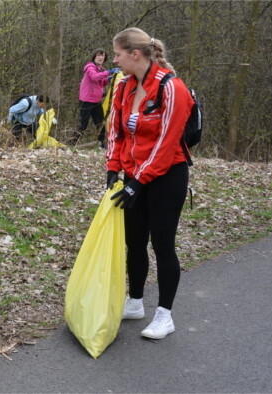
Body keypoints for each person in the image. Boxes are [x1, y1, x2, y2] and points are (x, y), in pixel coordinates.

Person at [105, 27, 194, 339]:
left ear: (135, 54)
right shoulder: (123, 86)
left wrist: (139, 182)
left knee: (162, 244)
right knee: (135, 242)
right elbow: (115, 131)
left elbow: (167, 143)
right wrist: (113, 170)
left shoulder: (172, 88)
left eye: (117, 54)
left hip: (167, 176)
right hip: (135, 176)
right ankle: (136, 302)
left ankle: (165, 315)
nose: (113, 60)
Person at [70, 49, 120, 147]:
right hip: (86, 100)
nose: (101, 57)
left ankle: (102, 144)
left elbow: (100, 83)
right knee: (82, 125)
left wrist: (109, 79)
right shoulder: (90, 67)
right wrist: (109, 72)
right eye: (98, 55)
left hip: (96, 100)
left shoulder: (101, 69)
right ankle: (72, 143)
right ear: (94, 57)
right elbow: (94, 77)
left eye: (103, 56)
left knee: (100, 123)